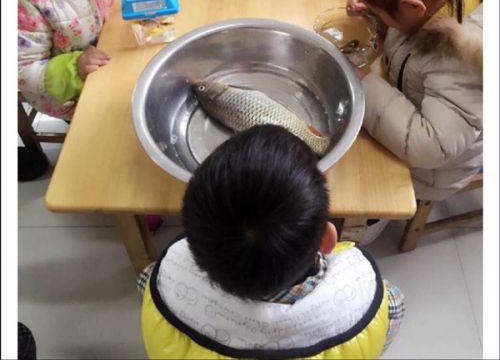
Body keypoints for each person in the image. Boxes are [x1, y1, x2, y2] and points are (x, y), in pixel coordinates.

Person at [139, 125, 405, 359]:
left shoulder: (162, 286)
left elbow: (145, 282)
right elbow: (388, 321)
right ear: (327, 239)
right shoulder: (370, 305)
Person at [346, 0, 482, 203]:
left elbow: (429, 147)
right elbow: (404, 32)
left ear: (413, 7)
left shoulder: (462, 61)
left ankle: (373, 221)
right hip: (401, 106)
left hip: (431, 172)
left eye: (378, 7)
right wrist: (375, 14)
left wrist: (363, 85)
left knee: (354, 181)